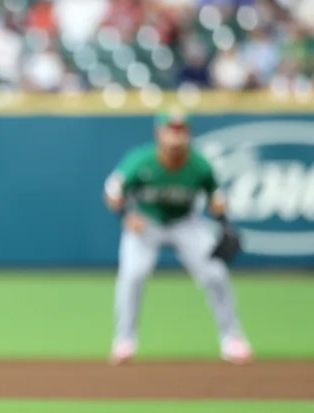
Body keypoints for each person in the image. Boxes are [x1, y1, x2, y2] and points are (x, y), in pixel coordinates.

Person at [103, 109, 253, 365]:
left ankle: (232, 338)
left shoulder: (199, 165)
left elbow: (215, 198)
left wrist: (224, 224)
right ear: (158, 134)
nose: (175, 137)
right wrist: (126, 216)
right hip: (146, 223)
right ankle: (124, 340)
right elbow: (112, 191)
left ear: (188, 134)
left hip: (186, 223)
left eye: (180, 131)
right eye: (170, 131)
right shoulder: (140, 161)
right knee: (133, 275)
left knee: (216, 274)